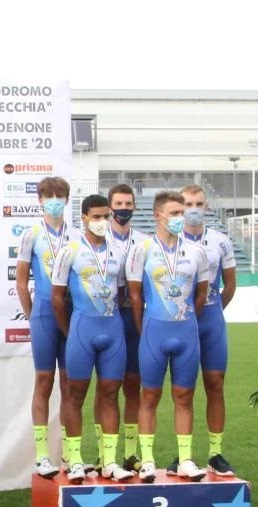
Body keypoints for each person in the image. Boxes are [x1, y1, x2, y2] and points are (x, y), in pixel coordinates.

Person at [126, 191, 209, 482]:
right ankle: (147, 460)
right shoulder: (141, 249)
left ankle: (185, 460)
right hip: (154, 332)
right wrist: (145, 328)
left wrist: (185, 318)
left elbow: (202, 294)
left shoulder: (197, 252)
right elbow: (134, 295)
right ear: (158, 215)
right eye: (174, 213)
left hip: (186, 332)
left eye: (181, 213)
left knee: (184, 396)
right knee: (149, 396)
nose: (179, 218)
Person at [51, 195, 134, 482]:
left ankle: (109, 462)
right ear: (84, 218)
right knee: (75, 395)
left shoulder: (118, 253)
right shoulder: (69, 251)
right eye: (96, 217)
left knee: (110, 394)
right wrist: (70, 330)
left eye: (106, 217)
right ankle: (74, 460)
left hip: (112, 331)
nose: (102, 222)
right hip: (82, 331)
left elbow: (121, 293)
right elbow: (57, 298)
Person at [15, 176, 78, 477]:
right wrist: (32, 316)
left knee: (70, 384)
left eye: (59, 195)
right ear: (40, 200)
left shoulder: (77, 235)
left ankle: (69, 455)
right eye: (48, 196)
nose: (54, 200)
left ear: (67, 199)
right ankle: (42, 456)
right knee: (44, 381)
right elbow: (21, 281)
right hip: (43, 312)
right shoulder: (31, 235)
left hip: (73, 312)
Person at [176, 184, 237, 477]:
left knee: (215, 383)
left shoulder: (221, 241)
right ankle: (183, 455)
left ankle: (215, 453)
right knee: (183, 390)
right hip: (180, 321)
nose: (193, 209)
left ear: (207, 207)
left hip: (211, 320)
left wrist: (212, 310)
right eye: (187, 204)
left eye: (198, 204)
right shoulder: (169, 240)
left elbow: (230, 285)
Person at [105, 184, 147, 472]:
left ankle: (131, 453)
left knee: (134, 385)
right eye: (118, 203)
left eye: (128, 204)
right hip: (106, 316)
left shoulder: (145, 242)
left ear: (134, 206)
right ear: (110, 207)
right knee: (107, 387)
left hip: (133, 316)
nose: (123, 208)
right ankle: (104, 455)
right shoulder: (96, 239)